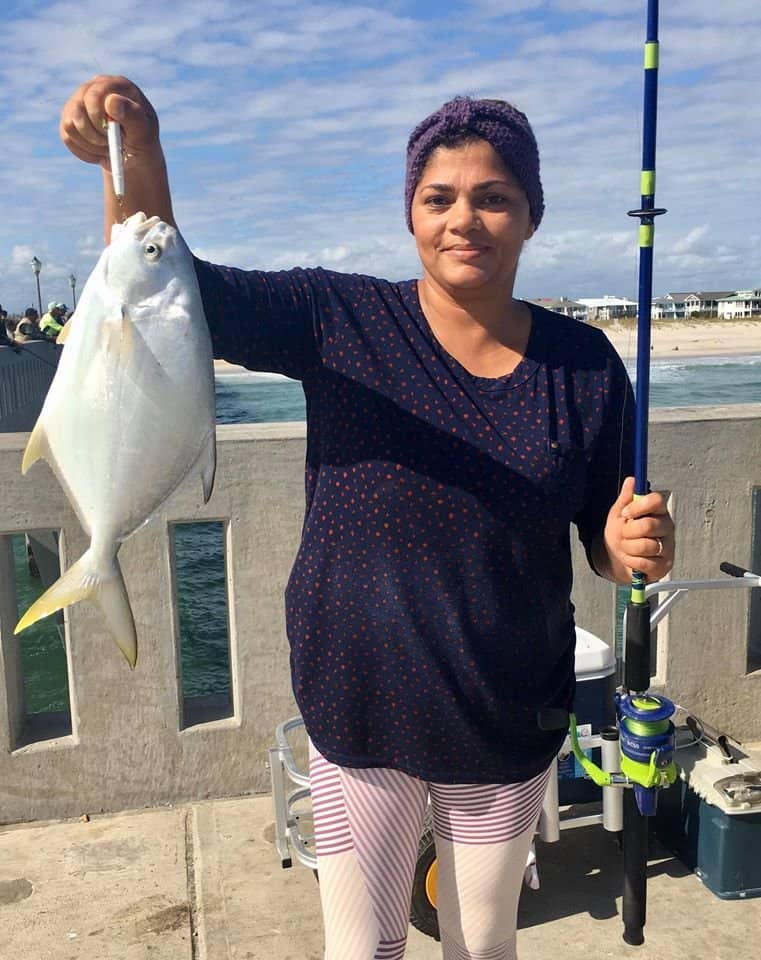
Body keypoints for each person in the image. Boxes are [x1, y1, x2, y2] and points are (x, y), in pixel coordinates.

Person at [60, 76, 675, 960]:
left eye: (494, 198)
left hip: (506, 715)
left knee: (481, 943)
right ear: (411, 215)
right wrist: (135, 152)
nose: (464, 218)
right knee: (362, 951)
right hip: (357, 709)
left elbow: (605, 541)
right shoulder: (338, 317)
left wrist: (627, 552)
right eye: (439, 198)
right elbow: (163, 280)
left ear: (530, 217)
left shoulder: (581, 366)